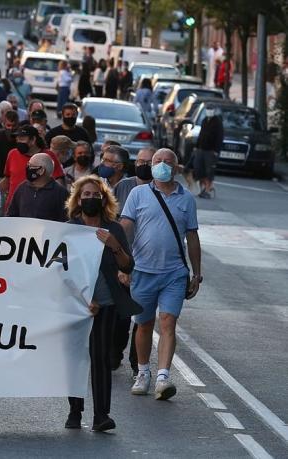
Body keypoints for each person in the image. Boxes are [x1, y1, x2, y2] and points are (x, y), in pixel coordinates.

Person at [120, 149, 202, 401]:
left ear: (176, 168)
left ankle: (163, 376)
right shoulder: (137, 194)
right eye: (158, 161)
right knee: (143, 324)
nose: (162, 165)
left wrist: (197, 274)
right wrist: (122, 266)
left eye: (168, 162)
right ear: (150, 165)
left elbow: (192, 236)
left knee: (168, 322)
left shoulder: (186, 199)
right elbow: (125, 230)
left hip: (174, 273)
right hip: (143, 270)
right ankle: (143, 372)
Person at [64, 175, 136, 432]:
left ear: (103, 199)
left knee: (100, 358)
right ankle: (75, 410)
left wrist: (115, 246)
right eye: (86, 195)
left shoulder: (113, 229)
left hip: (106, 305)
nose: (91, 199)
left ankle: (101, 415)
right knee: (75, 358)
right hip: (77, 305)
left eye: (96, 195)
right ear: (78, 200)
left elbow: (128, 265)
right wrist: (84, 298)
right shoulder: (69, 229)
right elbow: (62, 270)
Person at [111, 147, 155, 373]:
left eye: (148, 161)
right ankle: (114, 352)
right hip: (124, 256)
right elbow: (113, 219)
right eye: (140, 161)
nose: (143, 165)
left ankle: (138, 362)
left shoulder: (161, 189)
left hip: (149, 261)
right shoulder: (123, 186)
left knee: (142, 314)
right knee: (121, 313)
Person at [0, 125, 64, 211]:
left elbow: (59, 181)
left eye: (22, 139)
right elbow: (7, 180)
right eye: (17, 139)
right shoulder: (12, 154)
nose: (18, 142)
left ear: (33, 140)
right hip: (13, 208)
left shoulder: (48, 156)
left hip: (39, 208)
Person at [7, 153, 68, 221]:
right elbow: (12, 215)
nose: (27, 168)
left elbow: (65, 220)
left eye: (30, 166)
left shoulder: (60, 192)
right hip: (24, 231)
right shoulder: (22, 188)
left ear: (41, 171)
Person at [194, 107, 223, 199]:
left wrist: (216, 151)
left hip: (211, 150)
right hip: (201, 149)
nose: (209, 111)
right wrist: (197, 146)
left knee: (209, 171)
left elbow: (219, 137)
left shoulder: (217, 122)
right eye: (208, 109)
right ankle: (203, 188)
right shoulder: (204, 120)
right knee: (199, 169)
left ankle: (207, 189)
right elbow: (201, 134)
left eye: (211, 109)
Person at [0, 109, 19, 176]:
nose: (11, 128)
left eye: (13, 126)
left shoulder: (22, 137)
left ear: (17, 125)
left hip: (16, 174)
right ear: (4, 124)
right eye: (8, 125)